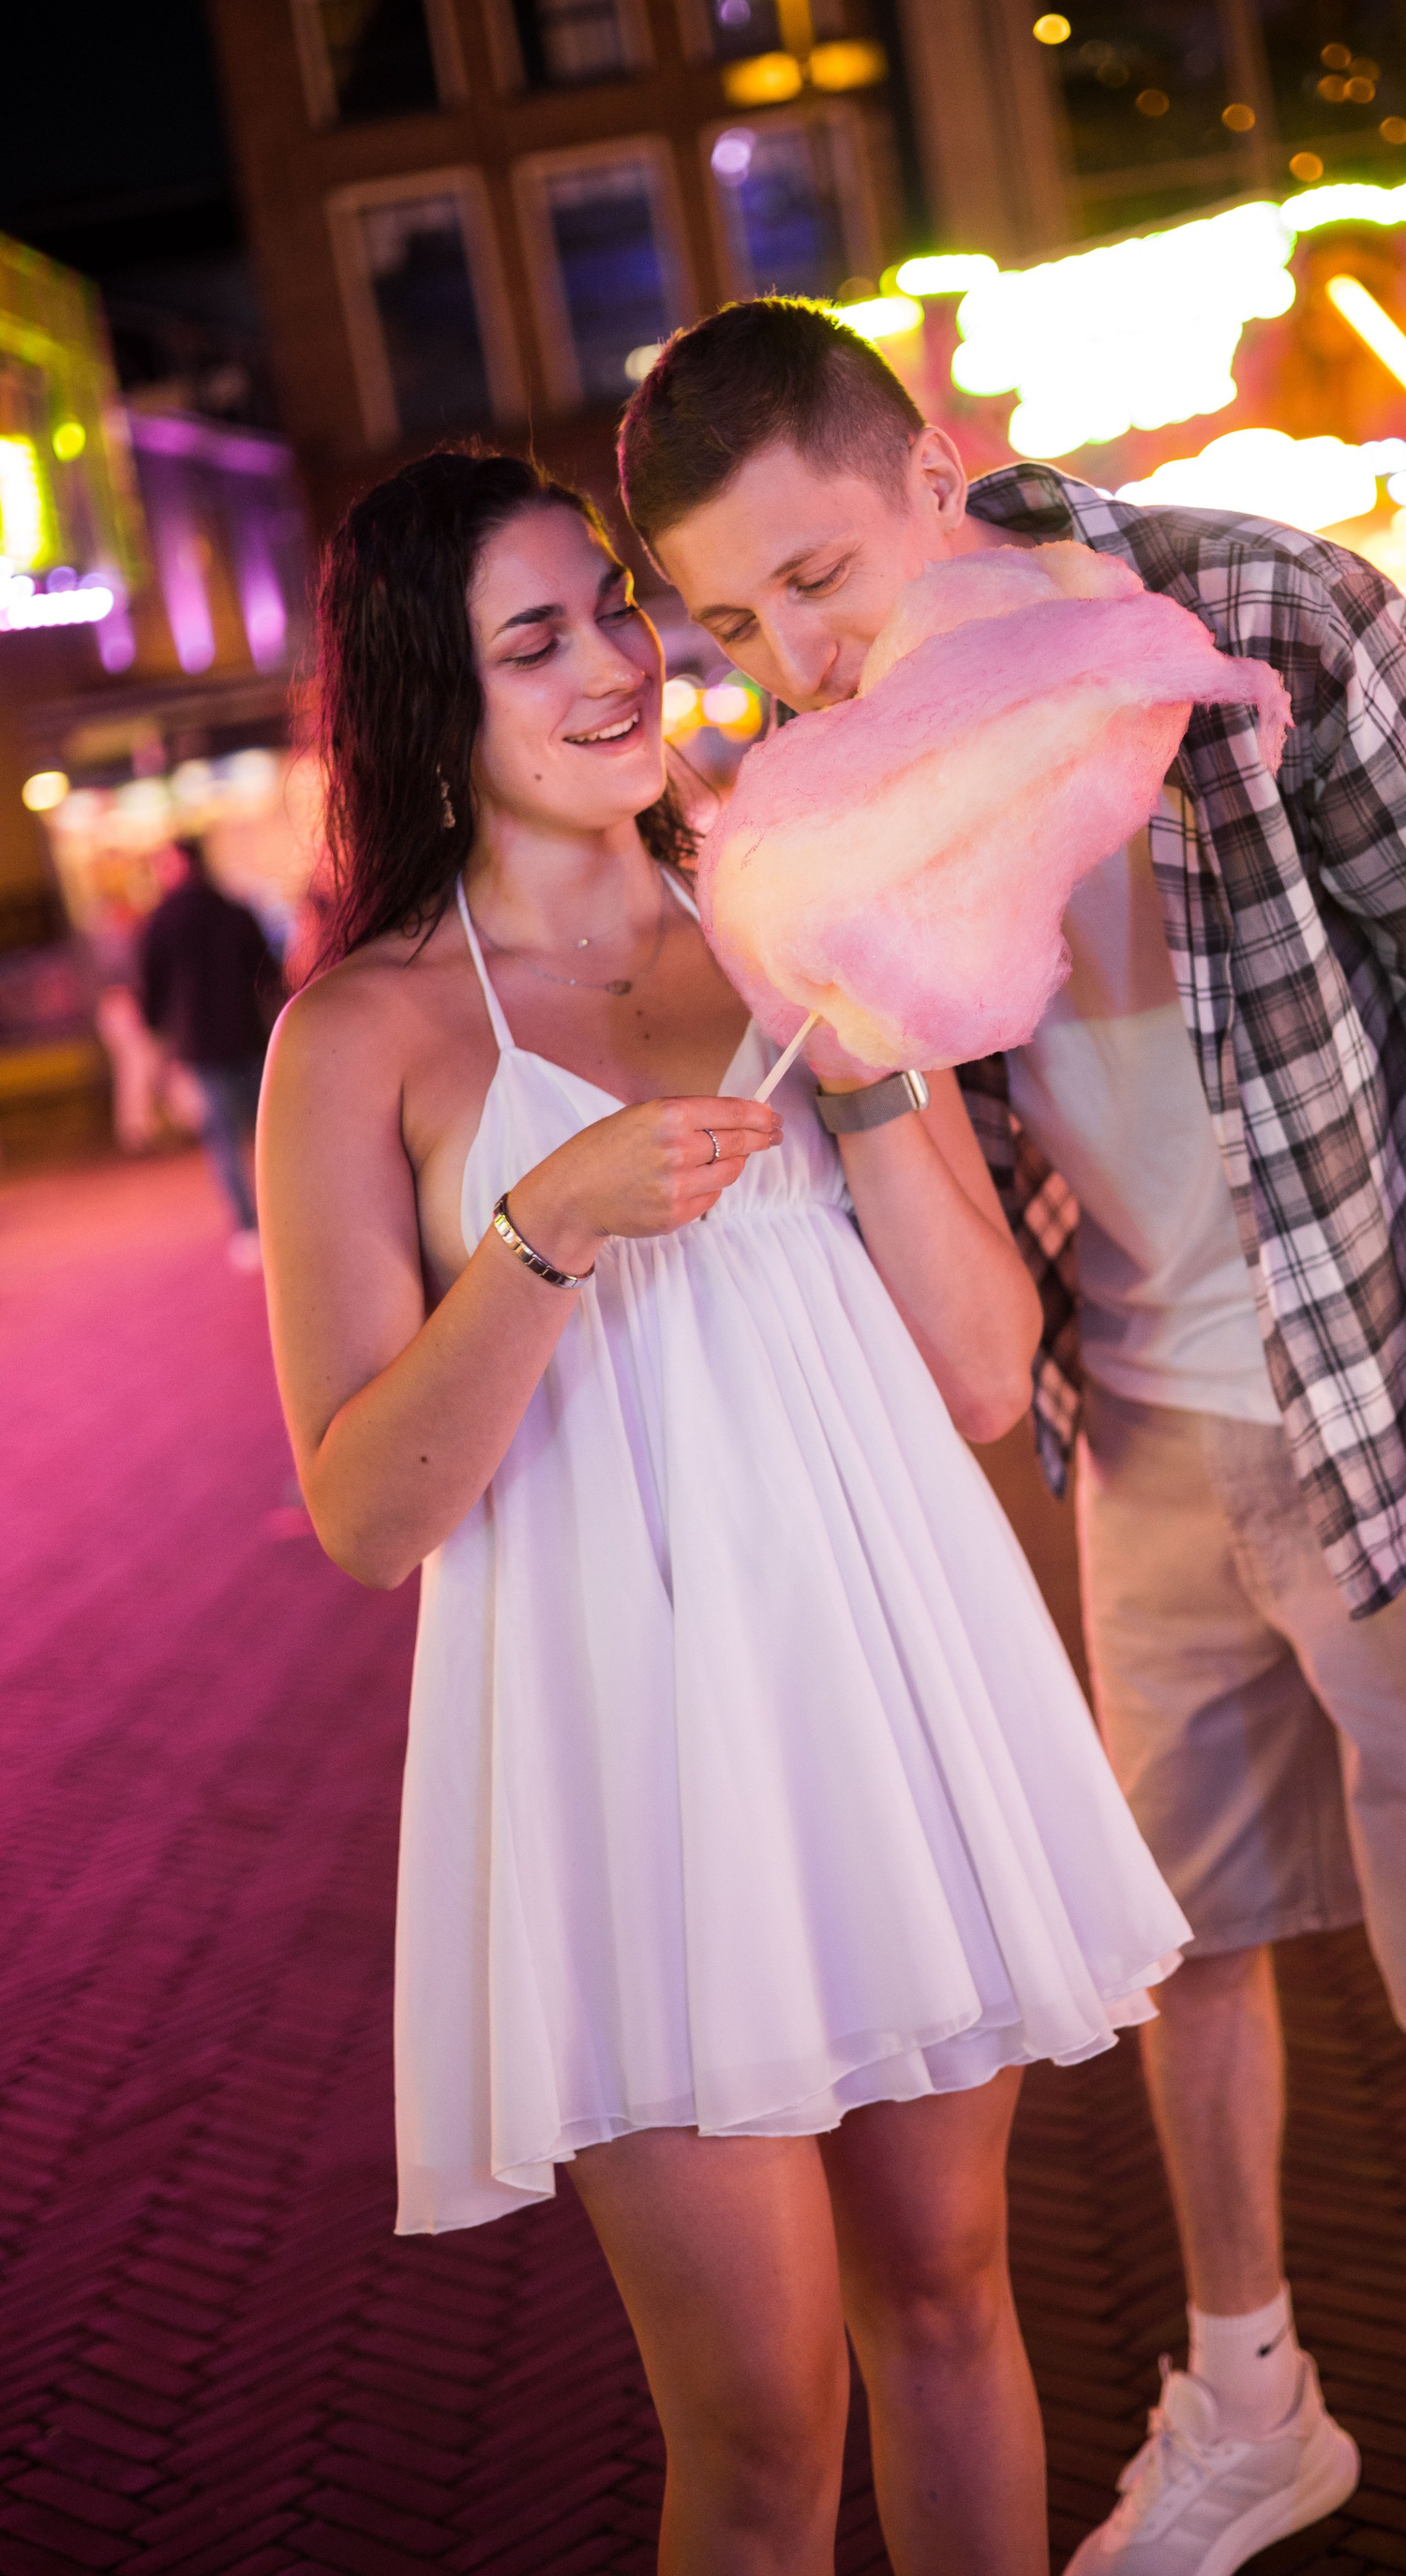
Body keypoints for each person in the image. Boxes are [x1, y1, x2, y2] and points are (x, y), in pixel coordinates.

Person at [621, 298, 1406, 2576]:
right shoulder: (821, 790)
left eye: (815, 578)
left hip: (1398, 1414)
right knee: (1184, 1949)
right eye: (731, 623)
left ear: (931, 469)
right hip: (1140, 1430)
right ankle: (1252, 2406)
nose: (794, 657)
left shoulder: (1254, 613)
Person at [256, 446, 1190, 2576]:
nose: (615, 660)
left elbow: (984, 1369)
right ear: (427, 695)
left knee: (949, 2300)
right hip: (630, 1757)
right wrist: (546, 1232)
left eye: (611, 604)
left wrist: (865, 1067)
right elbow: (367, 1515)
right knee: (761, 2421)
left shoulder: (787, 913)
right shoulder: (363, 1035)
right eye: (535, 639)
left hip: (880, 1677)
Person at [138, 833, 277, 1267]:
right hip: (248, 1034)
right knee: (268, 1133)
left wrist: (156, 1028)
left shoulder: (163, 919)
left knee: (223, 1139)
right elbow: (267, 971)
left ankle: (248, 1227)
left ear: (179, 865)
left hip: (202, 1043)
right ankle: (284, 1219)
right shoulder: (234, 909)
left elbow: (152, 986)